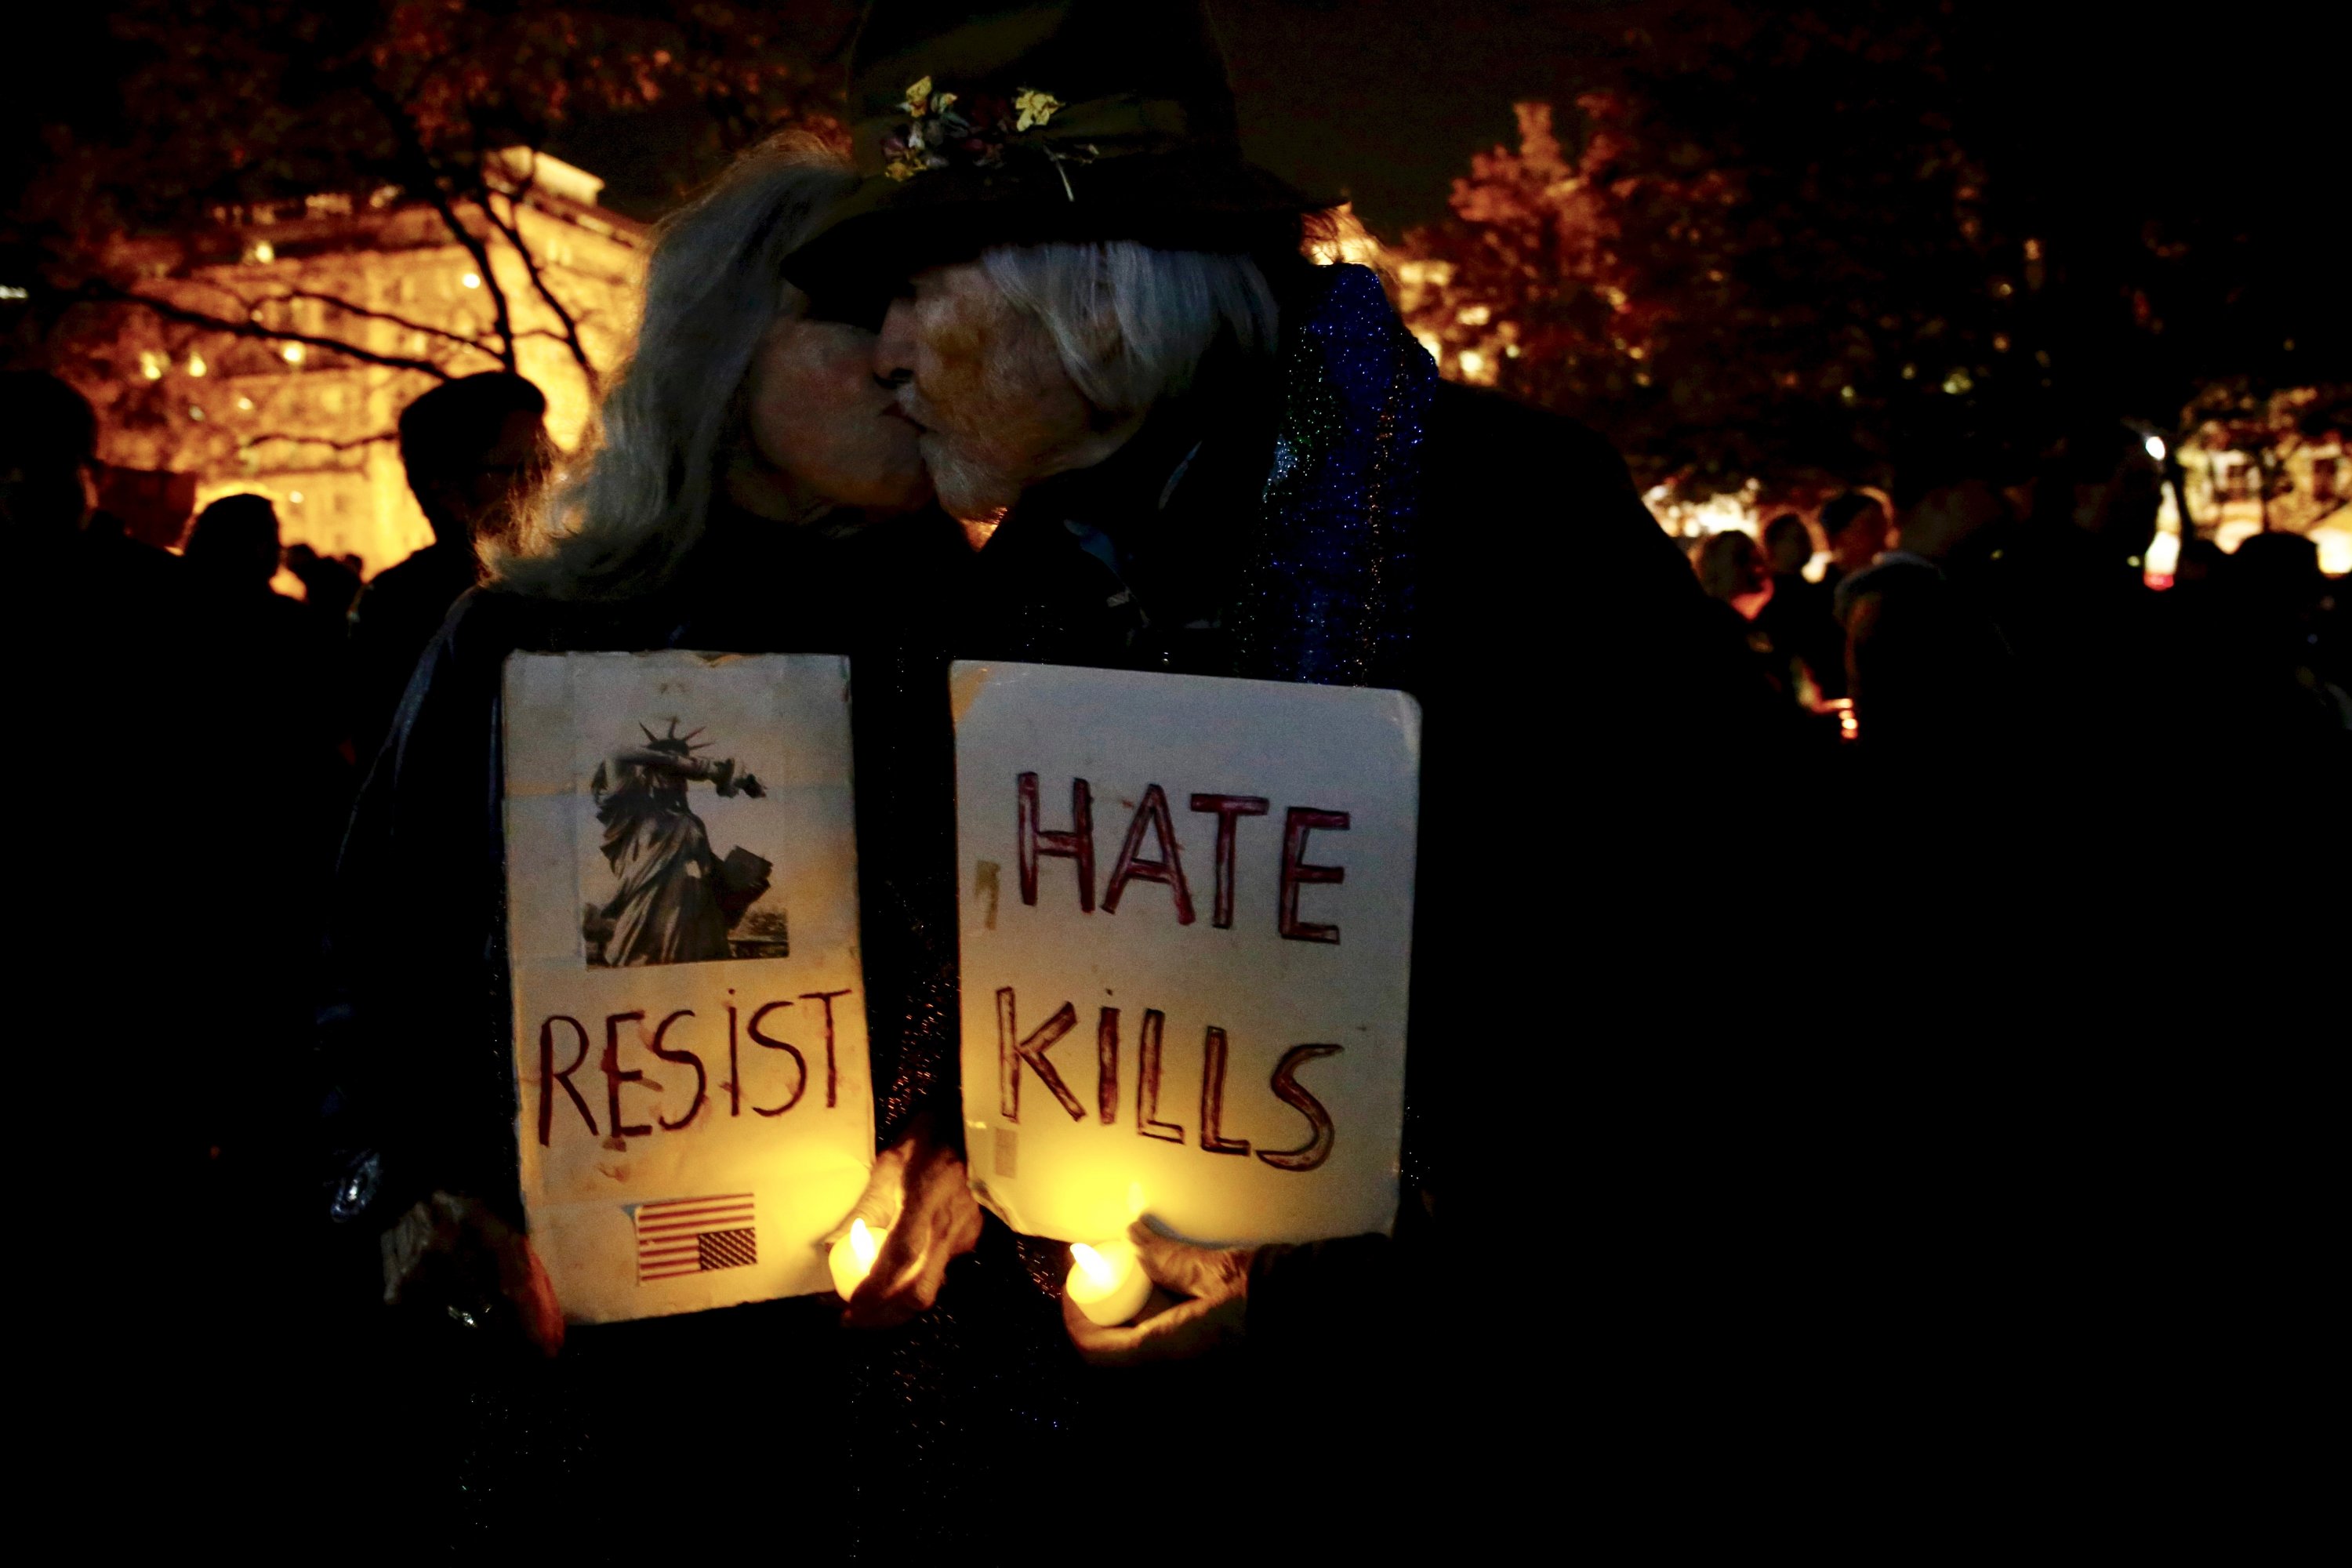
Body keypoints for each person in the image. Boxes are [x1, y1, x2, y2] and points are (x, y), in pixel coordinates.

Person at [785, 5, 1792, 1499]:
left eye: (914, 292)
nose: (881, 359)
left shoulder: (1503, 530)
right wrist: (951, 1133)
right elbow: (1035, 963)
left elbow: (1717, 1026)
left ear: (1095, 300)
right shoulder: (1018, 598)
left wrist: (1334, 1300)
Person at [327, 134, 1004, 1553]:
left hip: (907, 1380)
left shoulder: (1007, 651)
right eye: (860, 309)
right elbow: (372, 967)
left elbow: (1050, 971)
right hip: (593, 1383)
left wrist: (967, 1159)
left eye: (935, 313)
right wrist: (415, 1191)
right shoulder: (520, 641)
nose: (907, 354)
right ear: (726, 345)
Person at [347, 372, 551, 764]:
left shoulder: (562, 587)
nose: (547, 486)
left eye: (550, 466)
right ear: (450, 493)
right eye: (523, 470)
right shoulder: (401, 608)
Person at [1755, 510, 1847, 701]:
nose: (1801, 545)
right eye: (1792, 539)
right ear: (1772, 546)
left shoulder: (1821, 591)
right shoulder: (1767, 601)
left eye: (1803, 538)